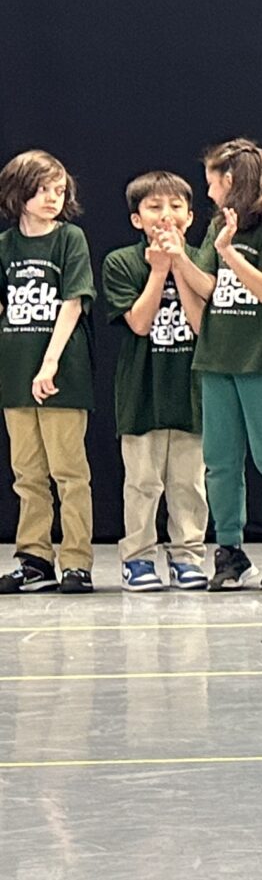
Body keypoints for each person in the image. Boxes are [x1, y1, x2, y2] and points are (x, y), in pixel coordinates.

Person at [170, 138, 262, 590]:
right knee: (220, 460)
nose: (208, 192)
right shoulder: (217, 225)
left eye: (212, 182)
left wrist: (229, 251)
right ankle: (229, 549)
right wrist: (179, 256)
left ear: (231, 180)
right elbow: (210, 287)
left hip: (261, 359)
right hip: (217, 357)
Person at [102, 169, 210, 591]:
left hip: (191, 388)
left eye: (175, 206)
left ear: (191, 216)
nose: (166, 215)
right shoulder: (121, 262)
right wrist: (158, 271)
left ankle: (187, 556)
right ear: (137, 219)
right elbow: (140, 323)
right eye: (154, 207)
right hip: (141, 390)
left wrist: (179, 264)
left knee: (189, 483)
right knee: (143, 482)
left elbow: (201, 325)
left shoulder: (203, 258)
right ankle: (138, 558)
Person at [0, 150, 96, 593]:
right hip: (15, 373)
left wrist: (51, 361)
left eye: (59, 190)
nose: (52, 198)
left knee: (69, 472)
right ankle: (34, 558)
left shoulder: (69, 238)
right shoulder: (5, 246)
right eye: (41, 190)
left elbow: (73, 301)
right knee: (27, 473)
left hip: (61, 373)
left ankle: (76, 560)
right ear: (18, 193)